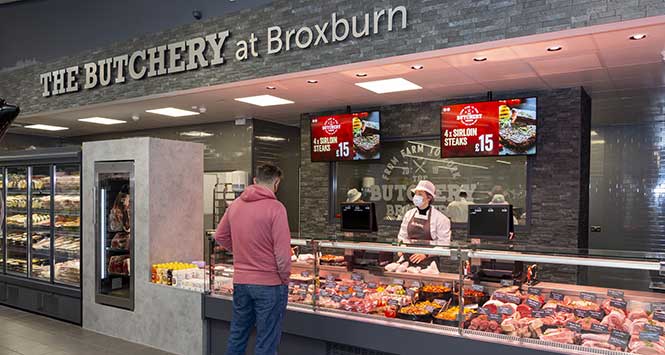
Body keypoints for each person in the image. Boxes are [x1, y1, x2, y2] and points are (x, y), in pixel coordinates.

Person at [214, 164, 291, 355]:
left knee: (238, 334)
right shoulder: (276, 208)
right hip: (270, 284)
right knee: (266, 340)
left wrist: (241, 251)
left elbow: (220, 236)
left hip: (241, 282)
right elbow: (282, 253)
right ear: (276, 183)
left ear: (255, 181)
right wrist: (284, 278)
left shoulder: (236, 205)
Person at [397, 180, 452, 265]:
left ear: (429, 197)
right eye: (415, 194)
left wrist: (425, 254)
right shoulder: (409, 214)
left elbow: (444, 244)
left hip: (428, 264)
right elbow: (402, 237)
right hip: (407, 261)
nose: (416, 197)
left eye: (420, 194)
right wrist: (401, 249)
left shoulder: (441, 219)